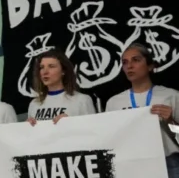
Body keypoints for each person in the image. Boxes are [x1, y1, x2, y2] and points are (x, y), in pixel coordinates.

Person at [106, 43, 179, 177]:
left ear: (150, 66)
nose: (130, 66)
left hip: (168, 164)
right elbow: (109, 141)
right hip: (130, 164)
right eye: (125, 62)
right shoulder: (114, 102)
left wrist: (171, 122)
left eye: (136, 60)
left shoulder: (171, 96)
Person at [26, 50, 95, 125]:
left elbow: (93, 131)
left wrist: (72, 123)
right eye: (42, 67)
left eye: (51, 66)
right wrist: (27, 127)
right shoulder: (34, 104)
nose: (45, 72)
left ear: (63, 71)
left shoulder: (82, 100)